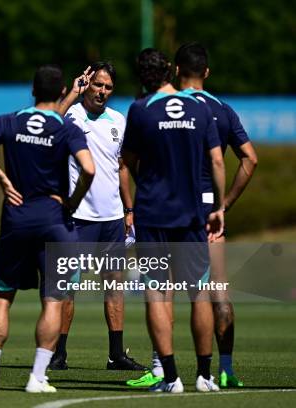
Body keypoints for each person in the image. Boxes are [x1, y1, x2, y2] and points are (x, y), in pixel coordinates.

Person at [0, 64, 95, 393]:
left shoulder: (10, 120)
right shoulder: (66, 127)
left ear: (33, 90)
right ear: (61, 90)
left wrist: (3, 179)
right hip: (54, 219)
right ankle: (37, 377)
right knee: (53, 300)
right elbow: (89, 169)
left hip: (17, 217)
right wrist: (72, 200)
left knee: (2, 296)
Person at [121, 48, 225, 393]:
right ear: (172, 71)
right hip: (191, 213)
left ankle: (170, 378)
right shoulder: (200, 107)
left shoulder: (139, 110)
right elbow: (217, 162)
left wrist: (142, 190)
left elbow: (126, 164)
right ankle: (205, 375)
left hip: (153, 213)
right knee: (199, 292)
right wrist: (219, 207)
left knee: (156, 291)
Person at [48, 62, 146, 372]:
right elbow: (49, 122)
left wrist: (130, 210)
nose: (102, 91)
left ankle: (116, 354)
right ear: (88, 85)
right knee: (68, 286)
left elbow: (122, 168)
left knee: (114, 286)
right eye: (97, 85)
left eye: (107, 87)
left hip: (113, 218)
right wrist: (73, 92)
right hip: (78, 217)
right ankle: (58, 353)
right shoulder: (71, 115)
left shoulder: (119, 120)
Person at [175, 42, 257, 388]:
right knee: (217, 291)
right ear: (206, 72)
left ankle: (162, 368)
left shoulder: (165, 107)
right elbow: (250, 159)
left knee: (161, 294)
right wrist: (224, 206)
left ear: (177, 70)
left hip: (171, 209)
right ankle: (225, 369)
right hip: (209, 211)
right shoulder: (222, 110)